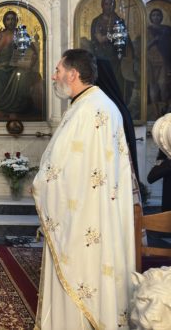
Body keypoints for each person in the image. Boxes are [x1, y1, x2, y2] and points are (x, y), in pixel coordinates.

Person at [32, 49, 135, 329]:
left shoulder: (87, 110)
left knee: (80, 268)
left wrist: (40, 184)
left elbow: (62, 166)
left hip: (82, 215)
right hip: (96, 209)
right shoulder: (100, 104)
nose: (54, 76)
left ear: (73, 74)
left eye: (58, 70)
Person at [0, 10, 40, 119]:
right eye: (8, 19)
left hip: (18, 67)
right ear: (4, 21)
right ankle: (0, 108)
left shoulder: (22, 35)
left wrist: (28, 62)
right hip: (1, 67)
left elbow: (33, 54)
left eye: (13, 19)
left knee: (22, 75)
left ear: (16, 21)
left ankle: (17, 108)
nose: (10, 22)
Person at [89, 0, 137, 108]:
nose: (109, 6)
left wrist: (129, 52)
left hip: (116, 57)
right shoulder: (97, 21)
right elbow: (99, 39)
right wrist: (113, 35)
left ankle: (117, 102)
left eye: (111, 4)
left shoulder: (119, 21)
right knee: (104, 79)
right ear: (102, 6)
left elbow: (126, 39)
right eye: (106, 4)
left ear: (114, 6)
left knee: (118, 79)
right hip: (102, 56)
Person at [147, 8, 171, 117]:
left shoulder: (167, 30)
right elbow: (143, 46)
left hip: (164, 61)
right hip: (150, 62)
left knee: (163, 85)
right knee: (153, 87)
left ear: (161, 17)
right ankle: (156, 112)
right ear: (150, 17)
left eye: (158, 15)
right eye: (153, 15)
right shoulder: (147, 30)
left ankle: (165, 108)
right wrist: (153, 40)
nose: (156, 17)